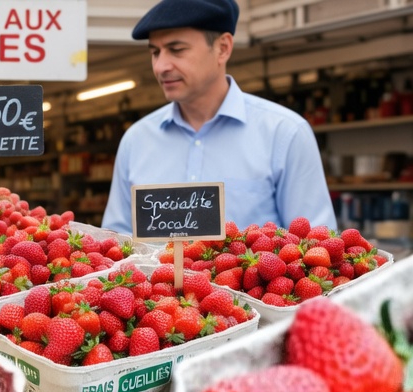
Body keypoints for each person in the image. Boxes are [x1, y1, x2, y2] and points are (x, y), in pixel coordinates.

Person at [101, 0, 336, 234]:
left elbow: (316, 245)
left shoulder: (285, 133)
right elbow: (114, 244)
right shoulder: (136, 140)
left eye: (177, 50)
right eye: (155, 52)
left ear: (223, 48)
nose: (161, 66)